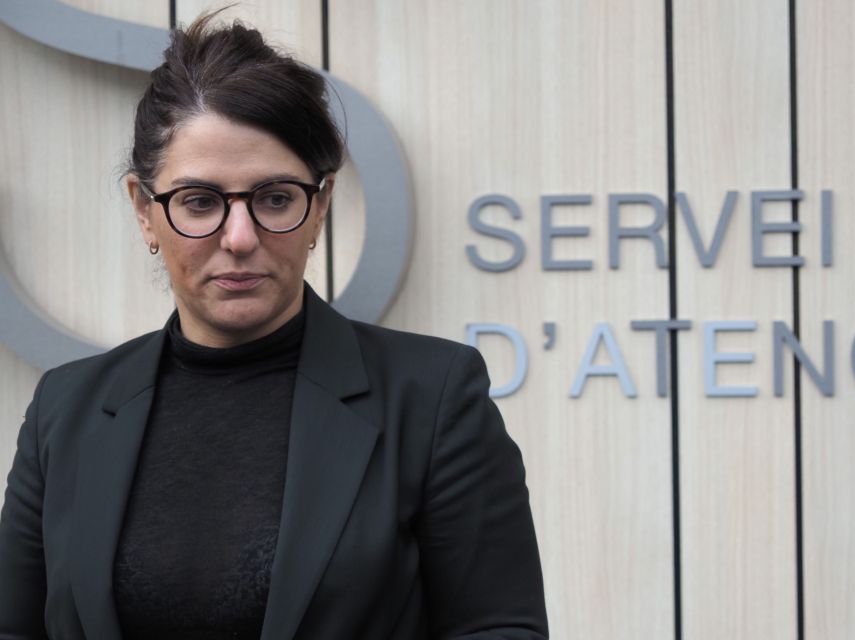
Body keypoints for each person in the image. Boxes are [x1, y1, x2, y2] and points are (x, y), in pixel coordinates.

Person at [0, 14, 547, 640]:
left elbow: (499, 629)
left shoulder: (433, 397)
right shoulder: (64, 410)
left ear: (321, 206)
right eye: (199, 201)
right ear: (145, 211)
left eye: (275, 198)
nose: (239, 238)